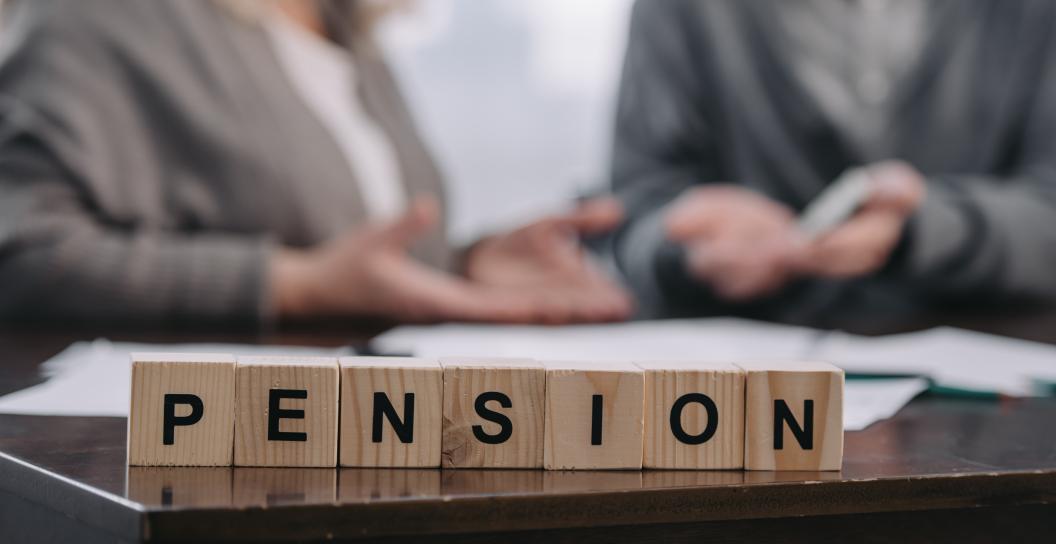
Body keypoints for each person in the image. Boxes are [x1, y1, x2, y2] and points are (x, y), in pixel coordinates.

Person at [0, 0, 631, 324]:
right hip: (195, 455)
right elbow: (23, 251)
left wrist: (464, 269)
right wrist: (296, 286)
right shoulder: (103, 17)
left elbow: (354, 254)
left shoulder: (345, 33)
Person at [608, 0, 1056, 322]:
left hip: (994, 379)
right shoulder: (680, 11)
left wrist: (921, 228)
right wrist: (686, 254)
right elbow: (630, 214)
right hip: (747, 368)